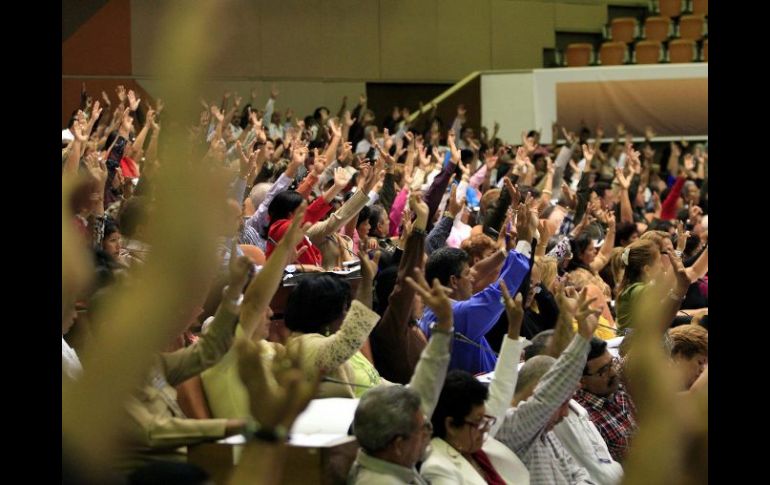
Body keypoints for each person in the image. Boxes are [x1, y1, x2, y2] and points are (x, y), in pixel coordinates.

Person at [348, 267, 453, 484]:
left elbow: (425, 387)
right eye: (423, 428)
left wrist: (444, 326)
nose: (429, 432)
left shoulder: (390, 459)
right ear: (397, 445)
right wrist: (416, 233)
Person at [420, 282, 530, 484]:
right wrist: (445, 325)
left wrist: (514, 328)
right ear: (451, 425)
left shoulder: (473, 434)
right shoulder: (436, 467)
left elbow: (501, 389)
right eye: (479, 421)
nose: (486, 428)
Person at [418, 202, 536, 374]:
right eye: (467, 274)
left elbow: (478, 270)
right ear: (454, 281)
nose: (473, 277)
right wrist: (525, 243)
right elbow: (499, 293)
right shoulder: (455, 314)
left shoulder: (435, 308)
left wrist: (504, 251)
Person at [573, 338, 637, 463]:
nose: (613, 372)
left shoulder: (620, 388)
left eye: (612, 363)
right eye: (603, 371)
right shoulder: (584, 419)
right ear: (581, 381)